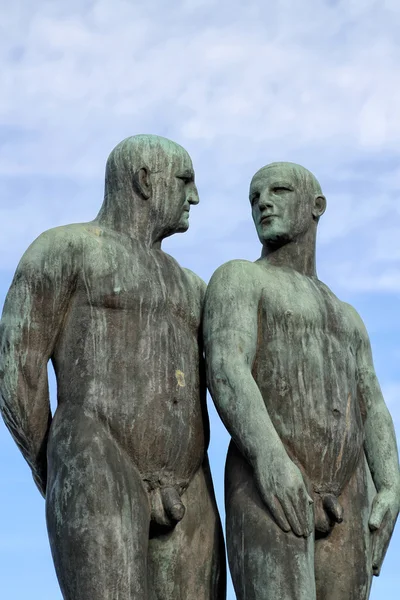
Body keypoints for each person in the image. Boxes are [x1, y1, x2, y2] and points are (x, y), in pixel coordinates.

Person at [0, 135, 225, 600]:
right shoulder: (65, 249)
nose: (195, 197)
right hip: (99, 456)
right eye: (185, 181)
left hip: (189, 479)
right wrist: (62, 465)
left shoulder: (194, 286)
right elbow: (16, 368)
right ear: (145, 181)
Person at [203, 161, 399, 600]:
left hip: (350, 487)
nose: (263, 204)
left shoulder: (348, 315)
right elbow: (226, 368)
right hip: (267, 474)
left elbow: (372, 404)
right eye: (254, 198)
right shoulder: (240, 278)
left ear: (316, 207)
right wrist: (271, 459)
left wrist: (390, 485)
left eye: (278, 191)